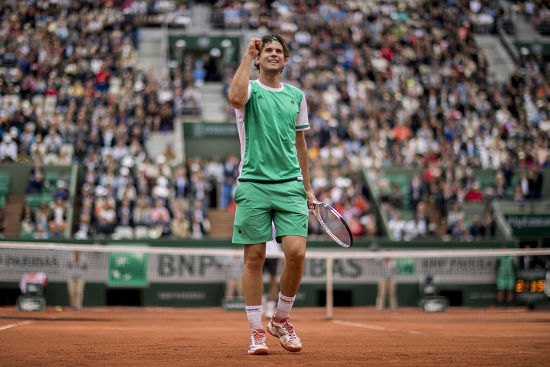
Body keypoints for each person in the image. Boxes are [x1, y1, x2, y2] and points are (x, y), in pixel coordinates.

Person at [228, 33, 316, 355]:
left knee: (296, 252)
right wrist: (244, 57)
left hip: (290, 185)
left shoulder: (296, 96)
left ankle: (280, 319)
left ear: (286, 59)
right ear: (259, 57)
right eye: (268, 50)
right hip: (253, 183)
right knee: (254, 257)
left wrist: (307, 187)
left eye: (279, 51)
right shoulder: (249, 89)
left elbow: (300, 144)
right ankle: (256, 332)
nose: (274, 54)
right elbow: (235, 99)